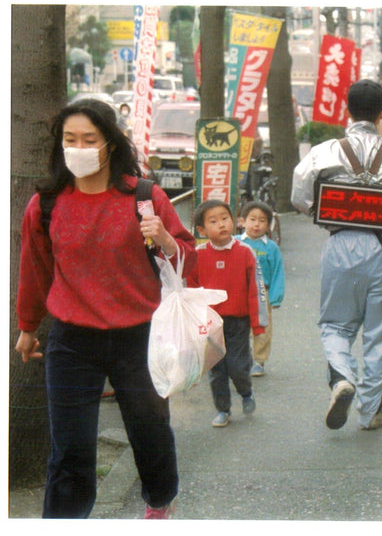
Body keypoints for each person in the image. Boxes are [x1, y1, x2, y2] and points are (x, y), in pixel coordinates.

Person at [15, 98, 197, 519]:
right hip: (71, 341)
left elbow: (191, 257)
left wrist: (167, 242)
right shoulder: (45, 205)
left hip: (139, 336)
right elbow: (36, 271)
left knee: (149, 431)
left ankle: (158, 503)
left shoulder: (145, 198)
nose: (78, 147)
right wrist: (28, 327)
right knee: (70, 449)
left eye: (89, 139)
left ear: (110, 144)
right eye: (70, 139)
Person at [291, 79, 382, 431]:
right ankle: (370, 412)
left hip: (340, 243)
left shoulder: (324, 151)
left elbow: (300, 196)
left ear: (346, 110)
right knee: (379, 333)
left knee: (335, 323)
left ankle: (341, 378)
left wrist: (328, 215)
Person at [190, 200, 267, 428]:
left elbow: (256, 289)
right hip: (211, 323)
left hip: (238, 321)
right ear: (202, 230)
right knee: (216, 370)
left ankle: (245, 392)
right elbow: (192, 290)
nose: (221, 224)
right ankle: (223, 409)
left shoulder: (245, 252)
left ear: (234, 221)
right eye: (213, 221)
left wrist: (258, 324)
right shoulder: (198, 254)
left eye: (225, 218)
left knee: (237, 366)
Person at [236, 201, 285, 377]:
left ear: (268, 224)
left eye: (262, 221)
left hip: (261, 292)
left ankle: (258, 360)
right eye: (252, 219)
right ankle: (239, 358)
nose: (257, 224)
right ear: (242, 221)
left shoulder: (271, 248)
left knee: (262, 326)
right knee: (238, 326)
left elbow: (278, 272)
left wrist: (276, 296)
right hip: (238, 292)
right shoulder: (235, 243)